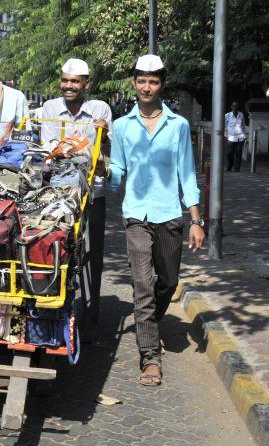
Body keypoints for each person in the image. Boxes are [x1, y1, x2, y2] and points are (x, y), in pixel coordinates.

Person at [108, 54, 205, 386]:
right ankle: (150, 356)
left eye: (153, 81)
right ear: (134, 83)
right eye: (141, 80)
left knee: (168, 281)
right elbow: (117, 171)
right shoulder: (121, 127)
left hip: (169, 215)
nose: (146, 87)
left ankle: (148, 319)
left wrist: (196, 220)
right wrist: (101, 175)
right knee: (143, 284)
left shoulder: (177, 125)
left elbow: (187, 174)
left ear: (161, 85)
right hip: (135, 214)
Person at [40, 58, 112, 342]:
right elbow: (49, 151)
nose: (69, 86)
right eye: (65, 80)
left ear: (86, 84)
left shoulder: (100, 109)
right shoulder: (49, 109)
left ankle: (92, 314)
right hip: (59, 194)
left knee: (94, 255)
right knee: (61, 250)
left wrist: (96, 137)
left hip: (93, 194)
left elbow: (103, 149)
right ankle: (61, 309)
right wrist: (79, 148)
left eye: (75, 81)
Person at [225, 101, 246, 172]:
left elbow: (243, 126)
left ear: (238, 107)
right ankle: (230, 165)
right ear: (231, 107)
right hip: (230, 138)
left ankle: (237, 169)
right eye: (233, 106)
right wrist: (226, 136)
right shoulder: (227, 115)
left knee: (238, 154)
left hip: (240, 138)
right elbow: (224, 126)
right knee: (229, 153)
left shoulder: (241, 114)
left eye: (236, 106)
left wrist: (244, 136)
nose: (235, 107)